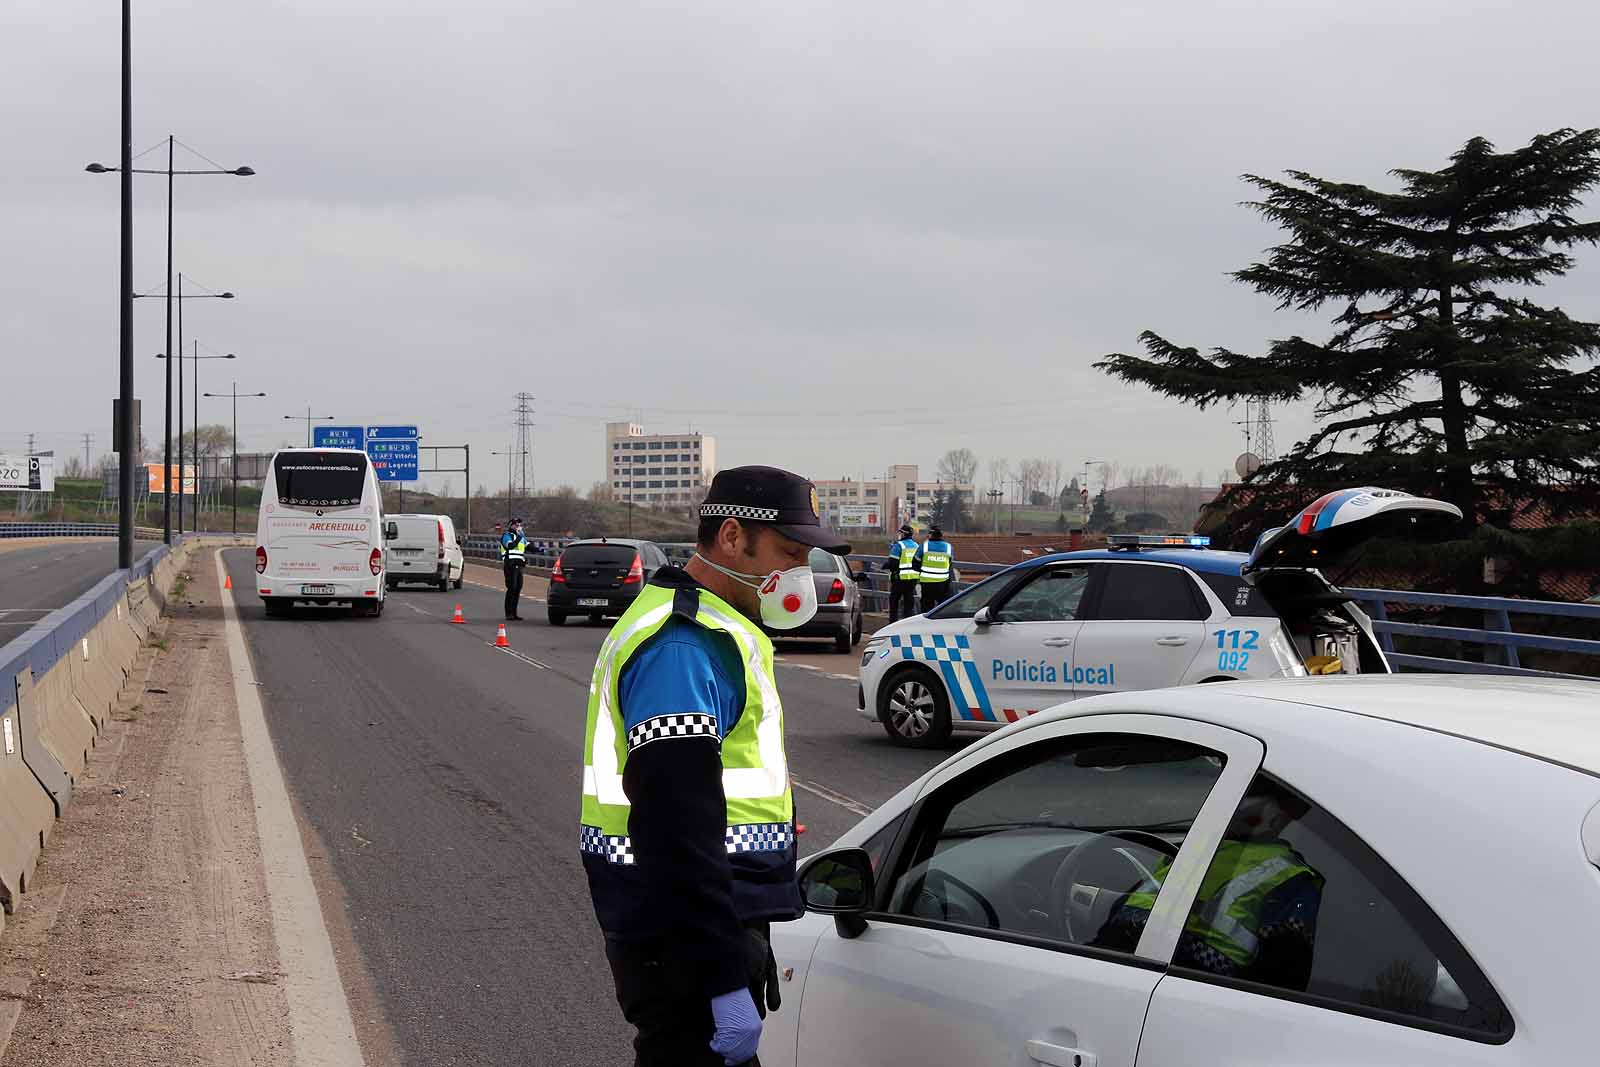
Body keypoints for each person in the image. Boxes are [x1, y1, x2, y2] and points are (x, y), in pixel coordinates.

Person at [580, 465, 850, 1066]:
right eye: (789, 552)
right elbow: (676, 827)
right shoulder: (683, 645)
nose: (798, 576)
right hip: (686, 939)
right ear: (732, 537)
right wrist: (722, 976)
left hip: (698, 924)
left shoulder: (714, 629)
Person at [1096, 779, 1324, 990]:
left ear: (1279, 815)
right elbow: (1135, 903)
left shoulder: (1291, 876)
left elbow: (1282, 977)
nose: (1236, 803)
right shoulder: (1198, 845)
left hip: (1194, 983)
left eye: (1253, 795)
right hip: (1124, 964)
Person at [885, 524, 920, 621]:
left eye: (900, 533)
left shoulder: (898, 545)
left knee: (894, 602)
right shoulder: (917, 545)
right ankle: (907, 624)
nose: (899, 535)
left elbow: (893, 563)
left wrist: (886, 565)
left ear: (904, 534)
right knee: (908, 603)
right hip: (912, 578)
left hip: (900, 578)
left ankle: (893, 624)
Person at [917, 524, 954, 609]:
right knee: (943, 608)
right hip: (943, 583)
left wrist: (922, 572)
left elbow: (915, 563)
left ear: (931, 534)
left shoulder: (924, 546)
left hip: (927, 583)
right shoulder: (948, 547)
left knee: (927, 609)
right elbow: (950, 563)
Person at [498, 517, 528, 620]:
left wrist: (540, 550)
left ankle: (514, 613)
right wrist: (519, 537)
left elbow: (528, 546)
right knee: (511, 588)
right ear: (511, 526)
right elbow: (510, 546)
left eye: (519, 525)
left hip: (519, 565)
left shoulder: (521, 536)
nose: (518, 526)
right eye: (516, 525)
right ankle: (508, 613)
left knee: (518, 589)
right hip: (510, 565)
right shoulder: (507, 535)